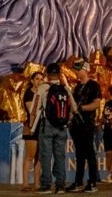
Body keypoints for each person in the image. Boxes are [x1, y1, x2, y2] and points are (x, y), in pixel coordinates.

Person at [30, 63, 77, 195]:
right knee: (60, 156)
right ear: (59, 74)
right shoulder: (66, 89)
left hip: (47, 126)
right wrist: (66, 120)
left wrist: (32, 126)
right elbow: (74, 108)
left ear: (47, 74)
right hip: (62, 127)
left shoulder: (43, 88)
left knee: (45, 156)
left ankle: (46, 186)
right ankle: (60, 186)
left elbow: (33, 109)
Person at [65, 60, 102, 193]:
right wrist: (69, 119)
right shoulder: (76, 87)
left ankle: (92, 183)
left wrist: (81, 109)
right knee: (79, 154)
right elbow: (72, 107)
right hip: (76, 126)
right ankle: (78, 182)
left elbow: (96, 104)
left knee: (90, 153)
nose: (76, 71)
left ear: (85, 69)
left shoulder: (94, 85)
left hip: (87, 124)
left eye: (78, 69)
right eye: (75, 69)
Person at [21, 71, 44, 192]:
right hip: (31, 127)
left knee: (39, 157)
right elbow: (32, 111)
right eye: (37, 79)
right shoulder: (29, 93)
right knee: (30, 156)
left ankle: (37, 183)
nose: (39, 81)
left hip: (42, 127)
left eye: (41, 79)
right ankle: (25, 183)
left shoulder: (43, 94)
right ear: (32, 81)